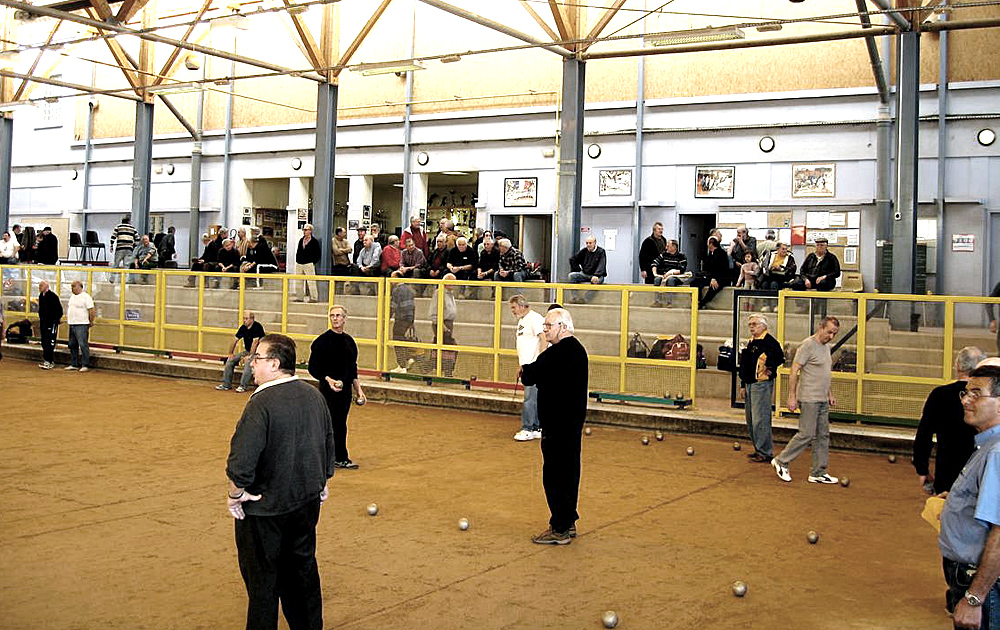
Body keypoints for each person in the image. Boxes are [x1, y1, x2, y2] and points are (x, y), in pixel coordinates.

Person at [225, 332, 335, 630]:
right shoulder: (314, 394)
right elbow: (327, 440)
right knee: (302, 573)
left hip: (265, 510)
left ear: (274, 364)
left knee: (263, 584)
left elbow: (242, 460)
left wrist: (237, 494)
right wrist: (323, 479)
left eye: (256, 358)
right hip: (305, 504)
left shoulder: (260, 403)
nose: (251, 364)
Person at [938, 364, 1000, 627]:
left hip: (982, 583)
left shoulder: (997, 452)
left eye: (976, 393)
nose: (966, 400)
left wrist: (974, 597)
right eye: (965, 393)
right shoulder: (986, 445)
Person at [521, 307, 588, 545]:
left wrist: (525, 368)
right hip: (572, 424)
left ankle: (559, 527)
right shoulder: (579, 351)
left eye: (549, 326)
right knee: (570, 474)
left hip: (557, 426)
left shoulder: (557, 354)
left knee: (554, 476)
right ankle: (568, 521)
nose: (545, 330)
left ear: (563, 327)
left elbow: (530, 375)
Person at [771, 316, 840, 484]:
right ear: (820, 327)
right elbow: (794, 371)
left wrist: (829, 394)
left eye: (835, 334)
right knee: (807, 433)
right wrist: (792, 396)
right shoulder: (807, 345)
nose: (831, 337)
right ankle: (781, 461)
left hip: (822, 399)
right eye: (829, 332)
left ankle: (818, 472)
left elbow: (824, 373)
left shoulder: (826, 347)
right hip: (809, 398)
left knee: (822, 435)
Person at [912, 346, 984, 495]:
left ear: (957, 366)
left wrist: (922, 469)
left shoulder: (940, 395)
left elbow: (924, 434)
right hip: (980, 473)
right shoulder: (989, 399)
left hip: (947, 474)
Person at [308, 305, 366, 470]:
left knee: (341, 423)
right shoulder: (322, 341)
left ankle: (340, 457)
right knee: (329, 423)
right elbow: (313, 367)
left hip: (345, 391)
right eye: (332, 315)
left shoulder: (349, 342)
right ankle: (326, 457)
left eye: (338, 315)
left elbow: (352, 369)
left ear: (344, 319)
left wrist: (359, 390)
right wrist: (328, 379)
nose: (335, 318)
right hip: (328, 391)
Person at [739, 314, 784, 463]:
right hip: (750, 383)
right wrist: (742, 384)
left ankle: (765, 452)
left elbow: (779, 357)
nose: (752, 327)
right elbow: (745, 364)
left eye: (755, 324)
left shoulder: (769, 341)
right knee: (751, 419)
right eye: (750, 324)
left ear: (764, 326)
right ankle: (758, 449)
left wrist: (770, 367)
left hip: (761, 384)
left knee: (761, 418)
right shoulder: (751, 342)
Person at [510, 295, 546, 442]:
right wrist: (521, 365)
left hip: (534, 364)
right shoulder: (522, 321)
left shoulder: (535, 318)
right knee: (533, 398)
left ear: (521, 305)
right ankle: (536, 427)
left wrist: (541, 361)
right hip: (527, 364)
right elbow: (524, 345)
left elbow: (543, 338)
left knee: (529, 399)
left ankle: (528, 428)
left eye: (513, 307)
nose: (512, 310)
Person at [217, 311, 266, 393]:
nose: (244, 320)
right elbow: (235, 340)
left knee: (248, 363)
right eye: (243, 318)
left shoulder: (257, 327)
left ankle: (243, 386)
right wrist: (230, 353)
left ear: (252, 319)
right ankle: (226, 384)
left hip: (258, 353)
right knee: (230, 361)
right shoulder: (243, 327)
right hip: (247, 351)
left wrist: (250, 356)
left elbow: (255, 342)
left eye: (246, 319)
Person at [428, 273, 459, 377]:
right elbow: (434, 311)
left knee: (446, 348)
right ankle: (444, 370)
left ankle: (443, 370)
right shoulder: (439, 293)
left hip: (449, 323)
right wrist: (441, 325)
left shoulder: (450, 294)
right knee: (450, 347)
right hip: (442, 324)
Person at [690, 237, 729, 309]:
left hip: (720, 277)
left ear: (711, 244)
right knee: (694, 282)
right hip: (710, 276)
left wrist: (714, 278)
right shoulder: (710, 254)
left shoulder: (721, 253)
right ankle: (697, 300)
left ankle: (703, 303)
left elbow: (721, 268)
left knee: (713, 287)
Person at [65, 280, 95, 372]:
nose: (72, 288)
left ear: (80, 287)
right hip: (72, 323)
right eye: (71, 287)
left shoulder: (86, 297)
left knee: (83, 344)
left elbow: (91, 310)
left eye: (74, 286)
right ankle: (74, 363)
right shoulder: (72, 297)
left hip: (82, 324)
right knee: (72, 344)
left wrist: (90, 321)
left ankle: (85, 364)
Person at [568, 236, 607, 303]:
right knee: (571, 276)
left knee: (598, 281)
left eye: (590, 243)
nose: (588, 245)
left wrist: (596, 275)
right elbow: (573, 259)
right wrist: (577, 270)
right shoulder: (584, 251)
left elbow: (602, 264)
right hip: (585, 274)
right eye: (587, 243)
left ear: (594, 243)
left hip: (596, 275)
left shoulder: (601, 251)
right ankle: (574, 297)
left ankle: (585, 299)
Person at [389, 281, 416, 373]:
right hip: (409, 318)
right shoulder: (410, 289)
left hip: (400, 318)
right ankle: (408, 358)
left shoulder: (397, 290)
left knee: (397, 340)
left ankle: (402, 365)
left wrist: (386, 317)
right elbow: (413, 307)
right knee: (402, 339)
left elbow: (393, 305)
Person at [37, 280, 62, 370]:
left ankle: (49, 361)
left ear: (47, 286)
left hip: (51, 323)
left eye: (41, 285)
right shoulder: (41, 296)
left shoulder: (53, 297)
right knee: (44, 341)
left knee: (49, 342)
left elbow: (59, 310)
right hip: (43, 322)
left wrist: (55, 321)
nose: (39, 287)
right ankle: (46, 360)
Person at [294, 224, 321, 303]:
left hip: (308, 263)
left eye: (306, 230)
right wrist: (297, 259)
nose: (304, 231)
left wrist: (312, 261)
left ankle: (314, 297)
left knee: (311, 281)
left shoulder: (314, 241)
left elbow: (318, 253)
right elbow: (298, 251)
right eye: (304, 230)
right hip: (299, 263)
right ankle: (299, 297)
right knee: (298, 281)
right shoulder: (301, 240)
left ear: (310, 231)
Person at [475, 236, 500, 300]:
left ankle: (494, 294)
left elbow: (495, 267)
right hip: (484, 270)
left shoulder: (497, 252)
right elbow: (479, 264)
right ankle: (474, 293)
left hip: (492, 271)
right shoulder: (483, 252)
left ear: (492, 244)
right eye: (484, 244)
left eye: (487, 244)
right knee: (473, 274)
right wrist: (479, 272)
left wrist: (485, 273)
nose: (486, 246)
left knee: (495, 275)